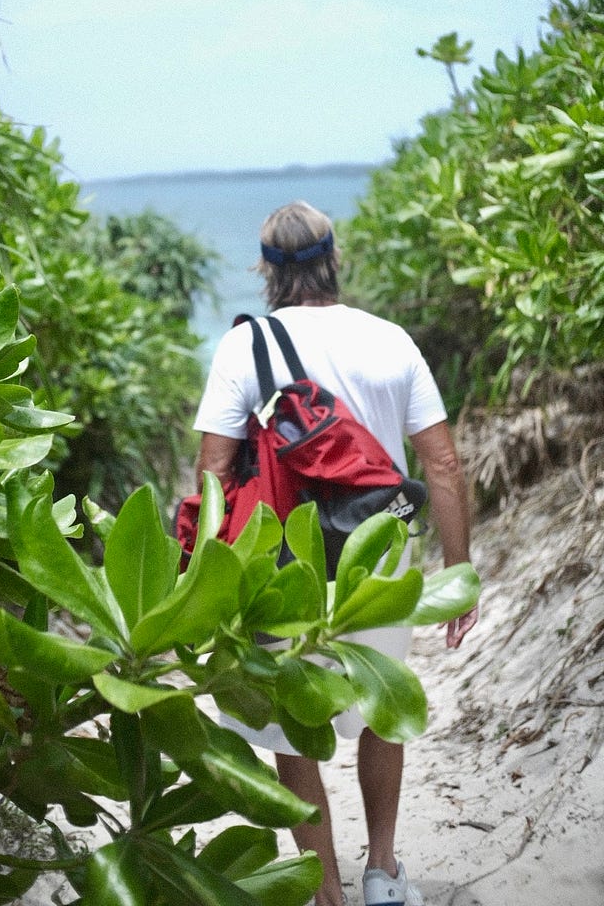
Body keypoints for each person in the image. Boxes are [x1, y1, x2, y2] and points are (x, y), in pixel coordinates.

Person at [193, 201, 478, 906]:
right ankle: (382, 871)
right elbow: (441, 466)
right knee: (383, 706)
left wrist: (199, 581)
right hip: (377, 557)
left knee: (294, 720)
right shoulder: (391, 341)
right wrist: (457, 573)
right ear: (334, 257)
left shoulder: (242, 348)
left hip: (283, 562)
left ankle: (326, 892)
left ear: (266, 268)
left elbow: (211, 472)